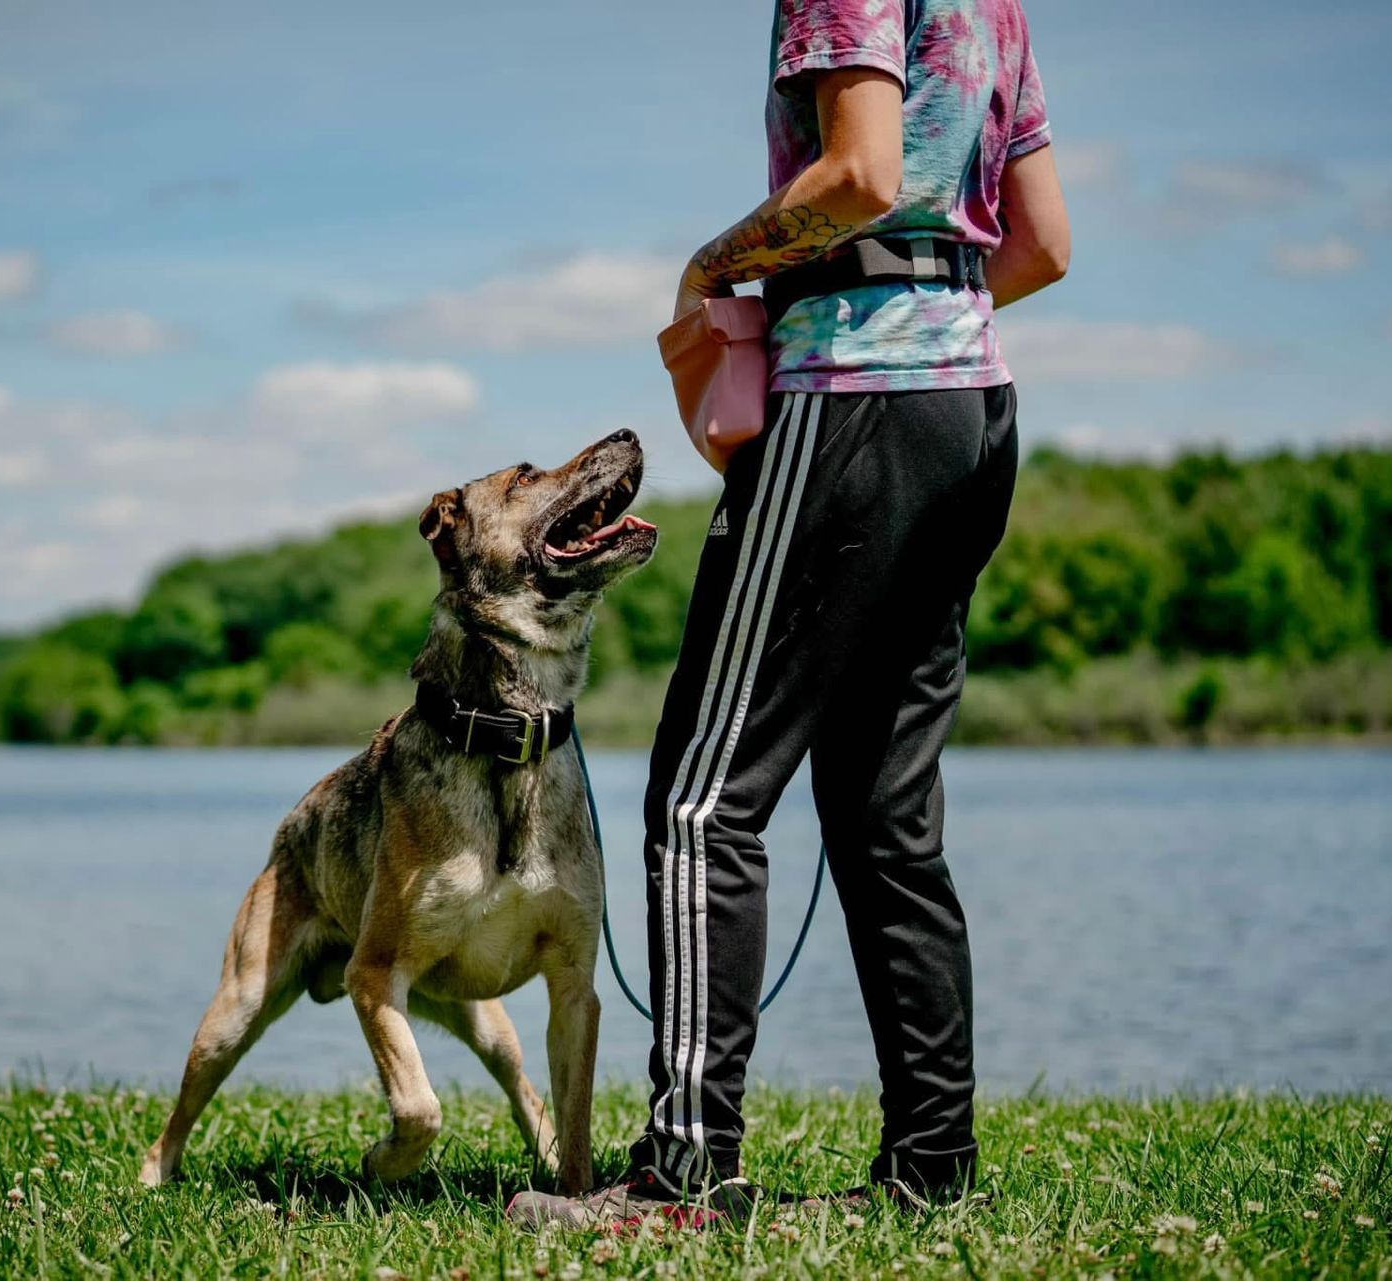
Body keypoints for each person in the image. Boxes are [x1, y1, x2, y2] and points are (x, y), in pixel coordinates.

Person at [510, 0, 1070, 1228]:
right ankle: (933, 1173)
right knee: (885, 813)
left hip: (850, 400)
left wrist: (717, 269)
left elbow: (861, 171)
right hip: (971, 412)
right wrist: (927, 305)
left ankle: (686, 1172)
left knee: (707, 796)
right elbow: (1041, 246)